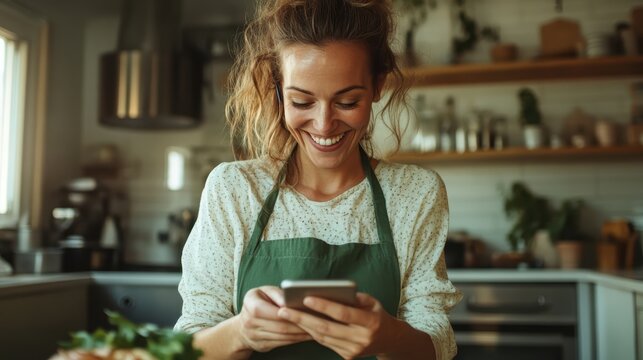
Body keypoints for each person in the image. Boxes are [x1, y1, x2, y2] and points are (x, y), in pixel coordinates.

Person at [174, 0, 462, 359]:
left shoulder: (414, 193)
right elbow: (187, 346)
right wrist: (240, 332)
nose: (324, 125)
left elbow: (438, 342)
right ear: (279, 91)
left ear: (377, 86)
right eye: (302, 102)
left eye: (347, 101)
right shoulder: (234, 190)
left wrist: (388, 338)